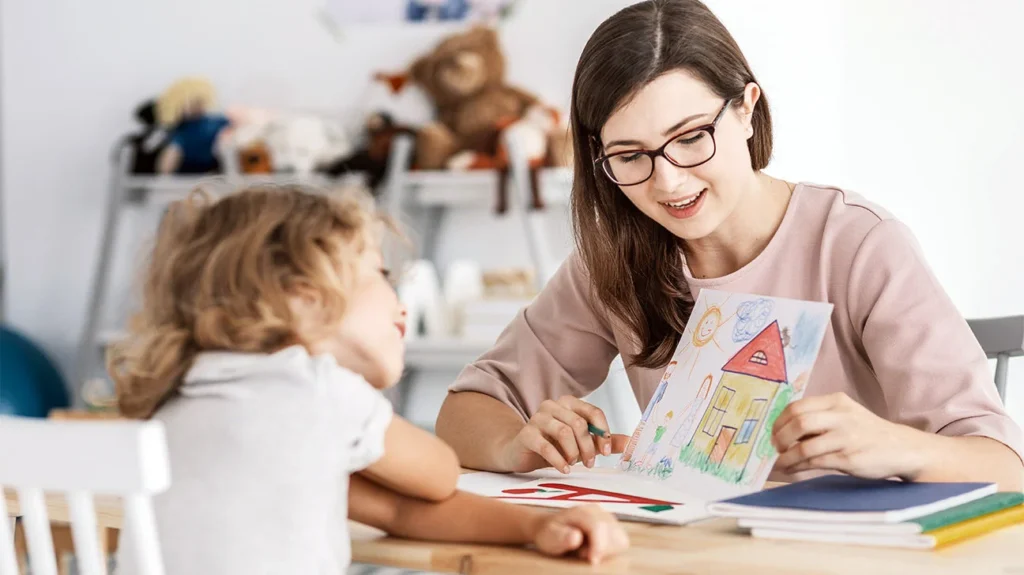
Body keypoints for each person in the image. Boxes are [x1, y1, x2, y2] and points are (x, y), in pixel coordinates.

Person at [436, 0, 1024, 491]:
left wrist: (895, 447)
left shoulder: (858, 244)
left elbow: (1004, 467)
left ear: (746, 109)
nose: (669, 181)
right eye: (630, 155)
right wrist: (516, 443)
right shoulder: (615, 260)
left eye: (691, 138)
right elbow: (465, 412)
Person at [108, 185, 629, 574]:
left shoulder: (180, 401)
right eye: (380, 274)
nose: (397, 297)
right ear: (302, 298)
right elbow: (438, 476)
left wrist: (537, 527)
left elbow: (395, 509)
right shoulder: (320, 392)